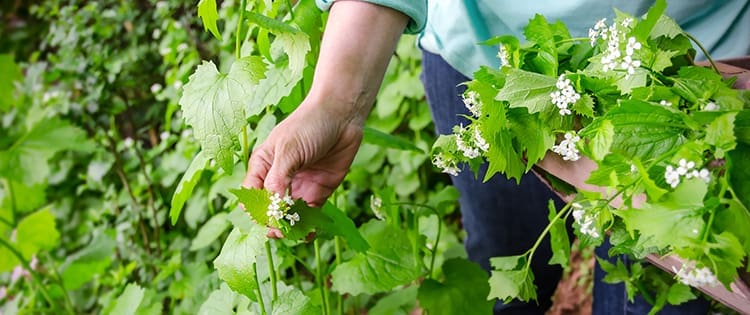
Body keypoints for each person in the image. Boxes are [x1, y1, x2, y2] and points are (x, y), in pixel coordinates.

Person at [242, 1, 750, 314]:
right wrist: (336, 100)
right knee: (500, 264)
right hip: (486, 67)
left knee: (656, 290)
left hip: (693, 78)